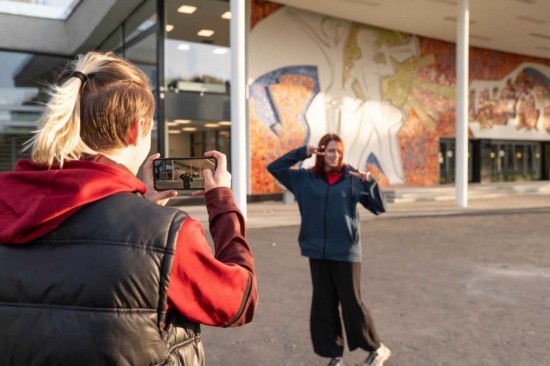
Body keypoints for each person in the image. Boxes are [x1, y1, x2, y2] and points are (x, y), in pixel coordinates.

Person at [0, 51, 257, 366]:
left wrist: (139, 210)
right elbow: (239, 302)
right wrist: (222, 204)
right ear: (136, 130)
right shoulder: (168, 235)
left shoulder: (8, 203)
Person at [267, 133, 389, 366]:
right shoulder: (304, 179)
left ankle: (376, 348)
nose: (336, 156)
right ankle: (334, 355)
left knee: (351, 302)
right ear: (321, 152)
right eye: (331, 150)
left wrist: (370, 182)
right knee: (324, 303)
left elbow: (379, 207)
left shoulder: (353, 177)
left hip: (346, 251)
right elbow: (275, 167)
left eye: (339, 152)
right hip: (317, 251)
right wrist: (302, 152)